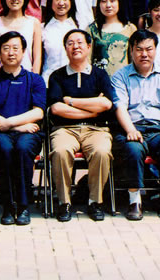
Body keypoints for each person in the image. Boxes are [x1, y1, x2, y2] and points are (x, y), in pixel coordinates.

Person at [111, 30, 160, 221]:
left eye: (149, 49)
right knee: (133, 150)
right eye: (139, 49)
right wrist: (130, 130)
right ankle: (135, 201)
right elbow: (120, 107)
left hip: (159, 130)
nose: (144, 54)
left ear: (156, 50)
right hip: (132, 127)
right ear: (131, 51)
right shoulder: (120, 76)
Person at [0, 31, 46, 226]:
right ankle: (8, 205)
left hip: (28, 134)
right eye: (6, 48)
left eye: (16, 48)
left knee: (23, 148)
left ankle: (23, 206)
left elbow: (38, 113)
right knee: (4, 148)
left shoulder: (35, 80)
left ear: (24, 52)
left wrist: (8, 124)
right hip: (0, 134)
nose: (11, 52)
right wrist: (19, 126)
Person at [47, 29, 114, 222]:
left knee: (101, 152)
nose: (75, 46)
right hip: (65, 130)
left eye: (79, 42)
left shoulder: (100, 75)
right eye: (70, 43)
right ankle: (64, 202)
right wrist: (92, 109)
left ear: (89, 46)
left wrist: (70, 101)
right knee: (60, 151)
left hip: (96, 129)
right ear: (65, 48)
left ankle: (95, 201)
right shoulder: (57, 76)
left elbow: (106, 104)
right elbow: (56, 108)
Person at [0, 0, 42, 74]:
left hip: (27, 76)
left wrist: (34, 79)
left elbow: (37, 57)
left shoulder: (34, 22)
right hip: (3, 77)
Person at [87, 0, 137, 77]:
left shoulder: (130, 29)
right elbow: (87, 60)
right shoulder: (92, 29)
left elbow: (134, 60)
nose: (108, 5)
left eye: (112, 0)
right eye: (104, 1)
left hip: (123, 80)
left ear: (119, 2)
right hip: (98, 81)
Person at [41, 0, 79, 83]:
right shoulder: (43, 29)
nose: (61, 3)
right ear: (50, 1)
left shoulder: (79, 28)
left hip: (73, 82)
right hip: (48, 81)